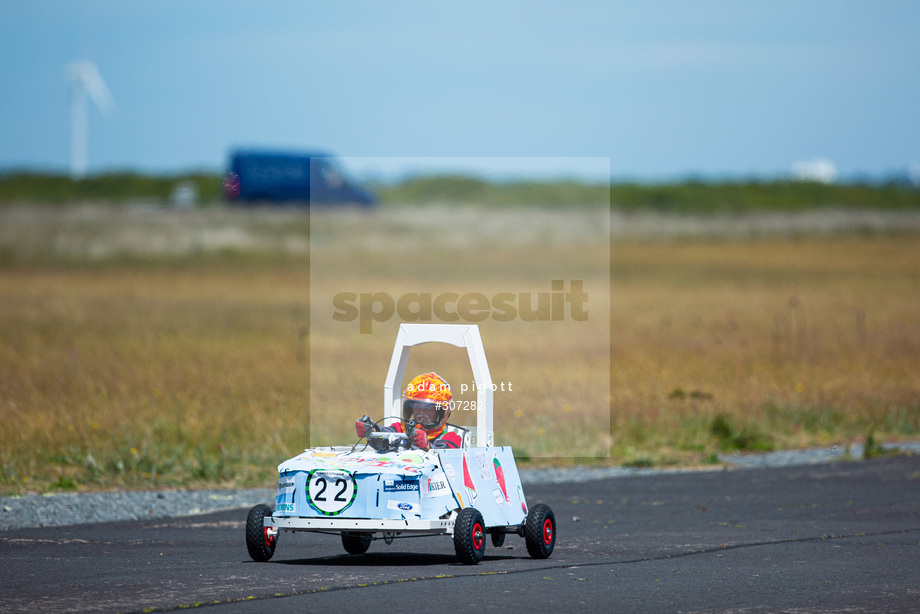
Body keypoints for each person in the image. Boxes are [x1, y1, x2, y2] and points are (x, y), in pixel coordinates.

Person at [357, 372, 463, 450]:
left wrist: (426, 446)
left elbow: (443, 453)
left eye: (428, 408)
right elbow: (386, 435)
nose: (421, 412)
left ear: (440, 411)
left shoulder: (452, 437)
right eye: (417, 406)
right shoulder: (400, 429)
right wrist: (372, 430)